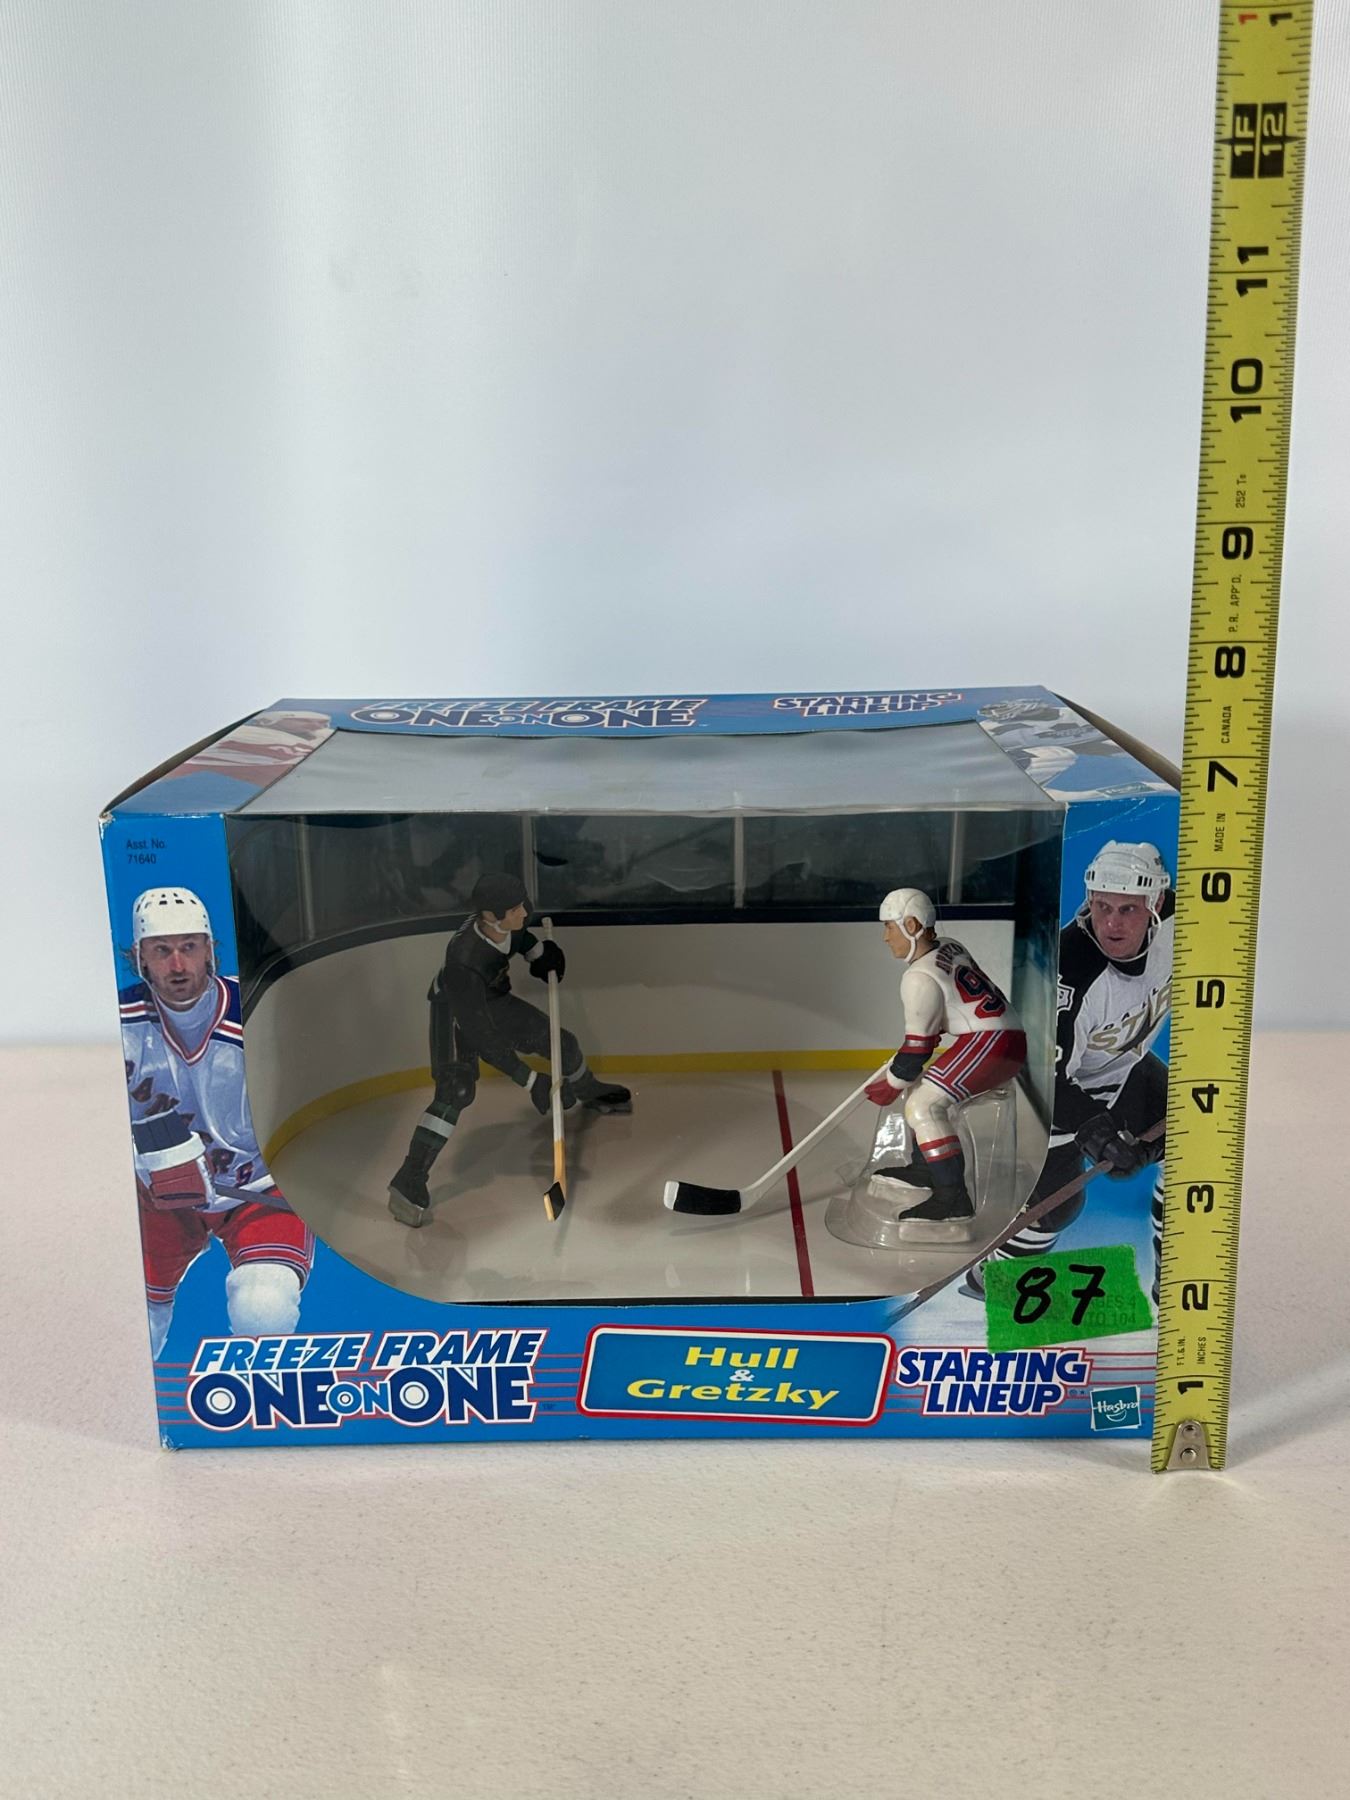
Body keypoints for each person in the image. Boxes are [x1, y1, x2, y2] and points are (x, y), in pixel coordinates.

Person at [967, 841, 1173, 1298]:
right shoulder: (1069, 974)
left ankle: (1175, 1279)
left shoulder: (1184, 923)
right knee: (1054, 1208)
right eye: (1102, 907)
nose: (1112, 924)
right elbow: (1038, 1076)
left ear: (1156, 904)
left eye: (1127, 909)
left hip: (1122, 1069)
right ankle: (993, 1278)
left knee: (1194, 1143)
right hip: (1053, 1092)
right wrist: (1097, 1133)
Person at [120, 886, 312, 1358]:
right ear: (140, 958)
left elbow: (307, 1109)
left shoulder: (259, 1013)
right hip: (157, 1199)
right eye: (161, 950)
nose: (177, 964)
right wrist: (151, 1162)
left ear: (210, 949)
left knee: (263, 1309)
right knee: (135, 1328)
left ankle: (254, 1395)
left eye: (189, 947)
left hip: (256, 1189)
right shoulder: (119, 1023)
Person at [388, 873, 631, 1227]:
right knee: (456, 1090)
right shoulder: (463, 961)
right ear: (490, 916)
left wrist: (540, 955)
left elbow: (522, 938)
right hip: (454, 1011)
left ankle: (586, 1087)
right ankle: (409, 1178)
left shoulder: (508, 921)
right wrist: (531, 1081)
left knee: (563, 1043)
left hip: (493, 1000)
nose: (524, 912)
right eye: (515, 909)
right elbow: (484, 1039)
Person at [865, 888, 1027, 1221]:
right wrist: (903, 1074)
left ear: (911, 925)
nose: (885, 937)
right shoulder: (951, 945)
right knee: (919, 1088)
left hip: (993, 1042)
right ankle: (926, 1168)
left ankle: (953, 1198)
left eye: (889, 927)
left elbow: (917, 1050)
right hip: (1002, 1033)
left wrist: (891, 1083)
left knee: (922, 1106)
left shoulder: (917, 978)